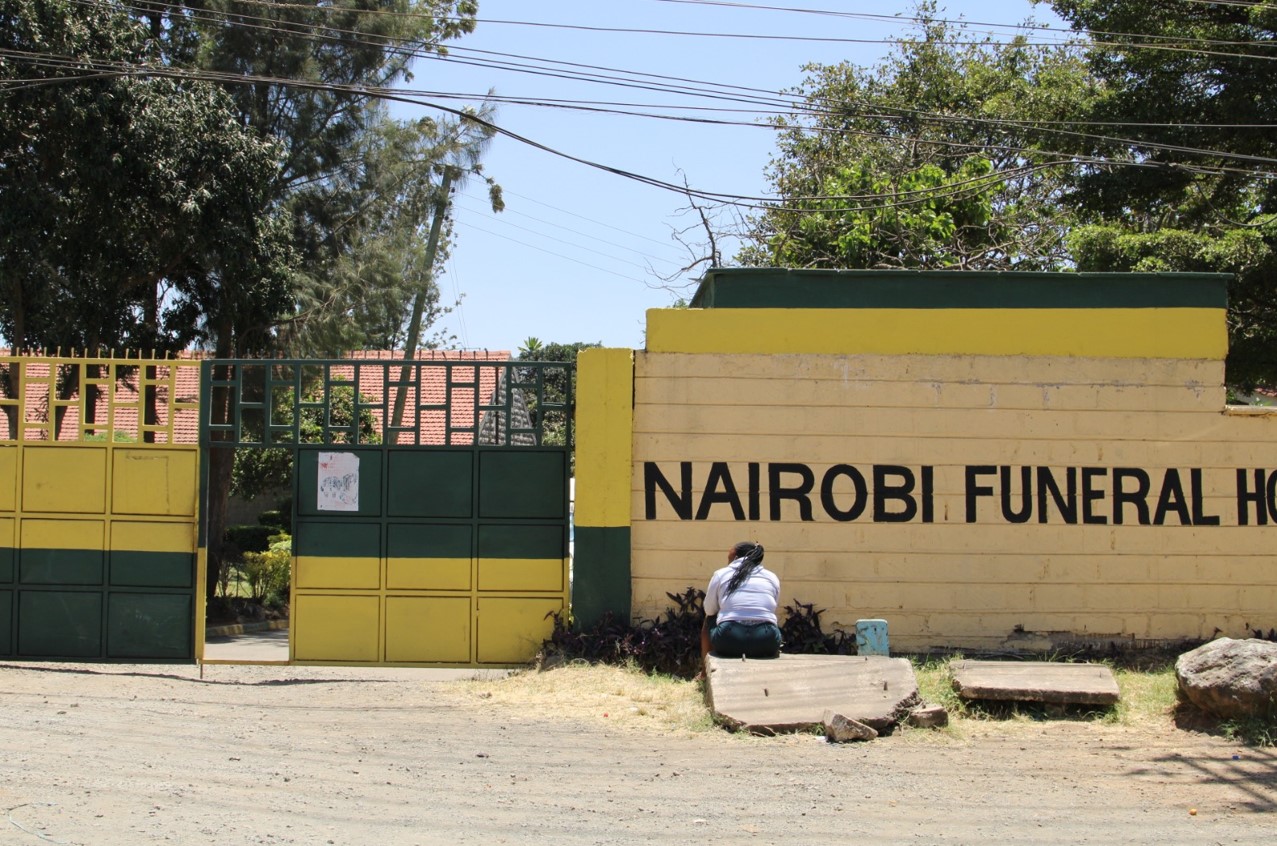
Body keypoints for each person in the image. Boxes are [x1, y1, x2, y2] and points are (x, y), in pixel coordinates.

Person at [700, 541, 782, 666]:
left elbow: (709, 610)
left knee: (709, 618)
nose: (728, 563)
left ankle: (704, 672)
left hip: (729, 640)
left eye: (729, 559)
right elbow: (772, 607)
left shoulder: (721, 574)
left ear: (736, 558)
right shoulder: (771, 577)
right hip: (767, 640)